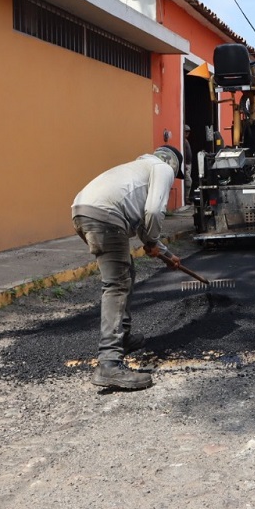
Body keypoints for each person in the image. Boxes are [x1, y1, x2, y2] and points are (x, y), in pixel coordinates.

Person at [71, 145, 185, 390]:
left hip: (83, 211)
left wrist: (167, 255)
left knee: (125, 273)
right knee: (117, 284)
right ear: (173, 165)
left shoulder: (139, 169)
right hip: (105, 215)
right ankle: (109, 363)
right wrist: (154, 242)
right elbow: (154, 211)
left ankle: (122, 338)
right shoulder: (162, 168)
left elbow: (145, 227)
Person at [183, 124, 194, 205]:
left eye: (188, 132)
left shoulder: (186, 141)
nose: (187, 133)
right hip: (186, 165)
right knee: (188, 181)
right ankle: (186, 198)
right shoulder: (183, 142)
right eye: (186, 131)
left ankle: (187, 197)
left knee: (188, 180)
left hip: (189, 164)